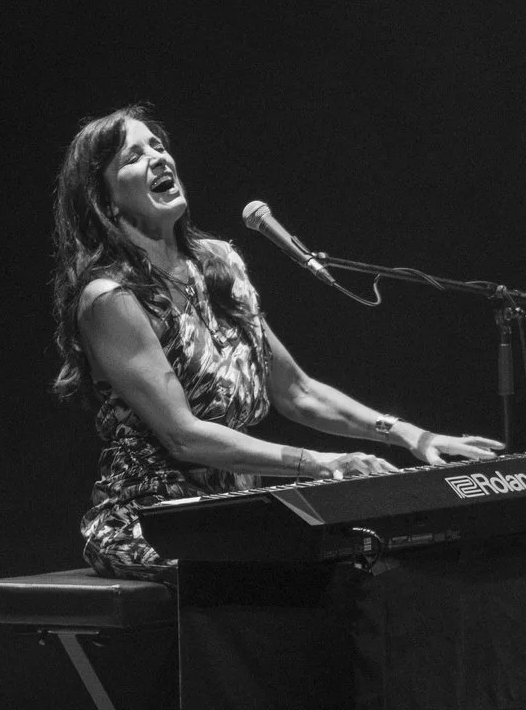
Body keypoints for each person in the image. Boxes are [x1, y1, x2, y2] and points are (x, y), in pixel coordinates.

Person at [50, 106, 502, 580]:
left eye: (158, 146)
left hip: (237, 509)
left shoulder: (217, 265)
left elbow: (296, 391)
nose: (158, 158)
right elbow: (183, 435)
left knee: (375, 563)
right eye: (133, 157)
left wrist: (408, 434)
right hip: (155, 520)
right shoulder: (110, 298)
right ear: (105, 200)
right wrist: (318, 463)